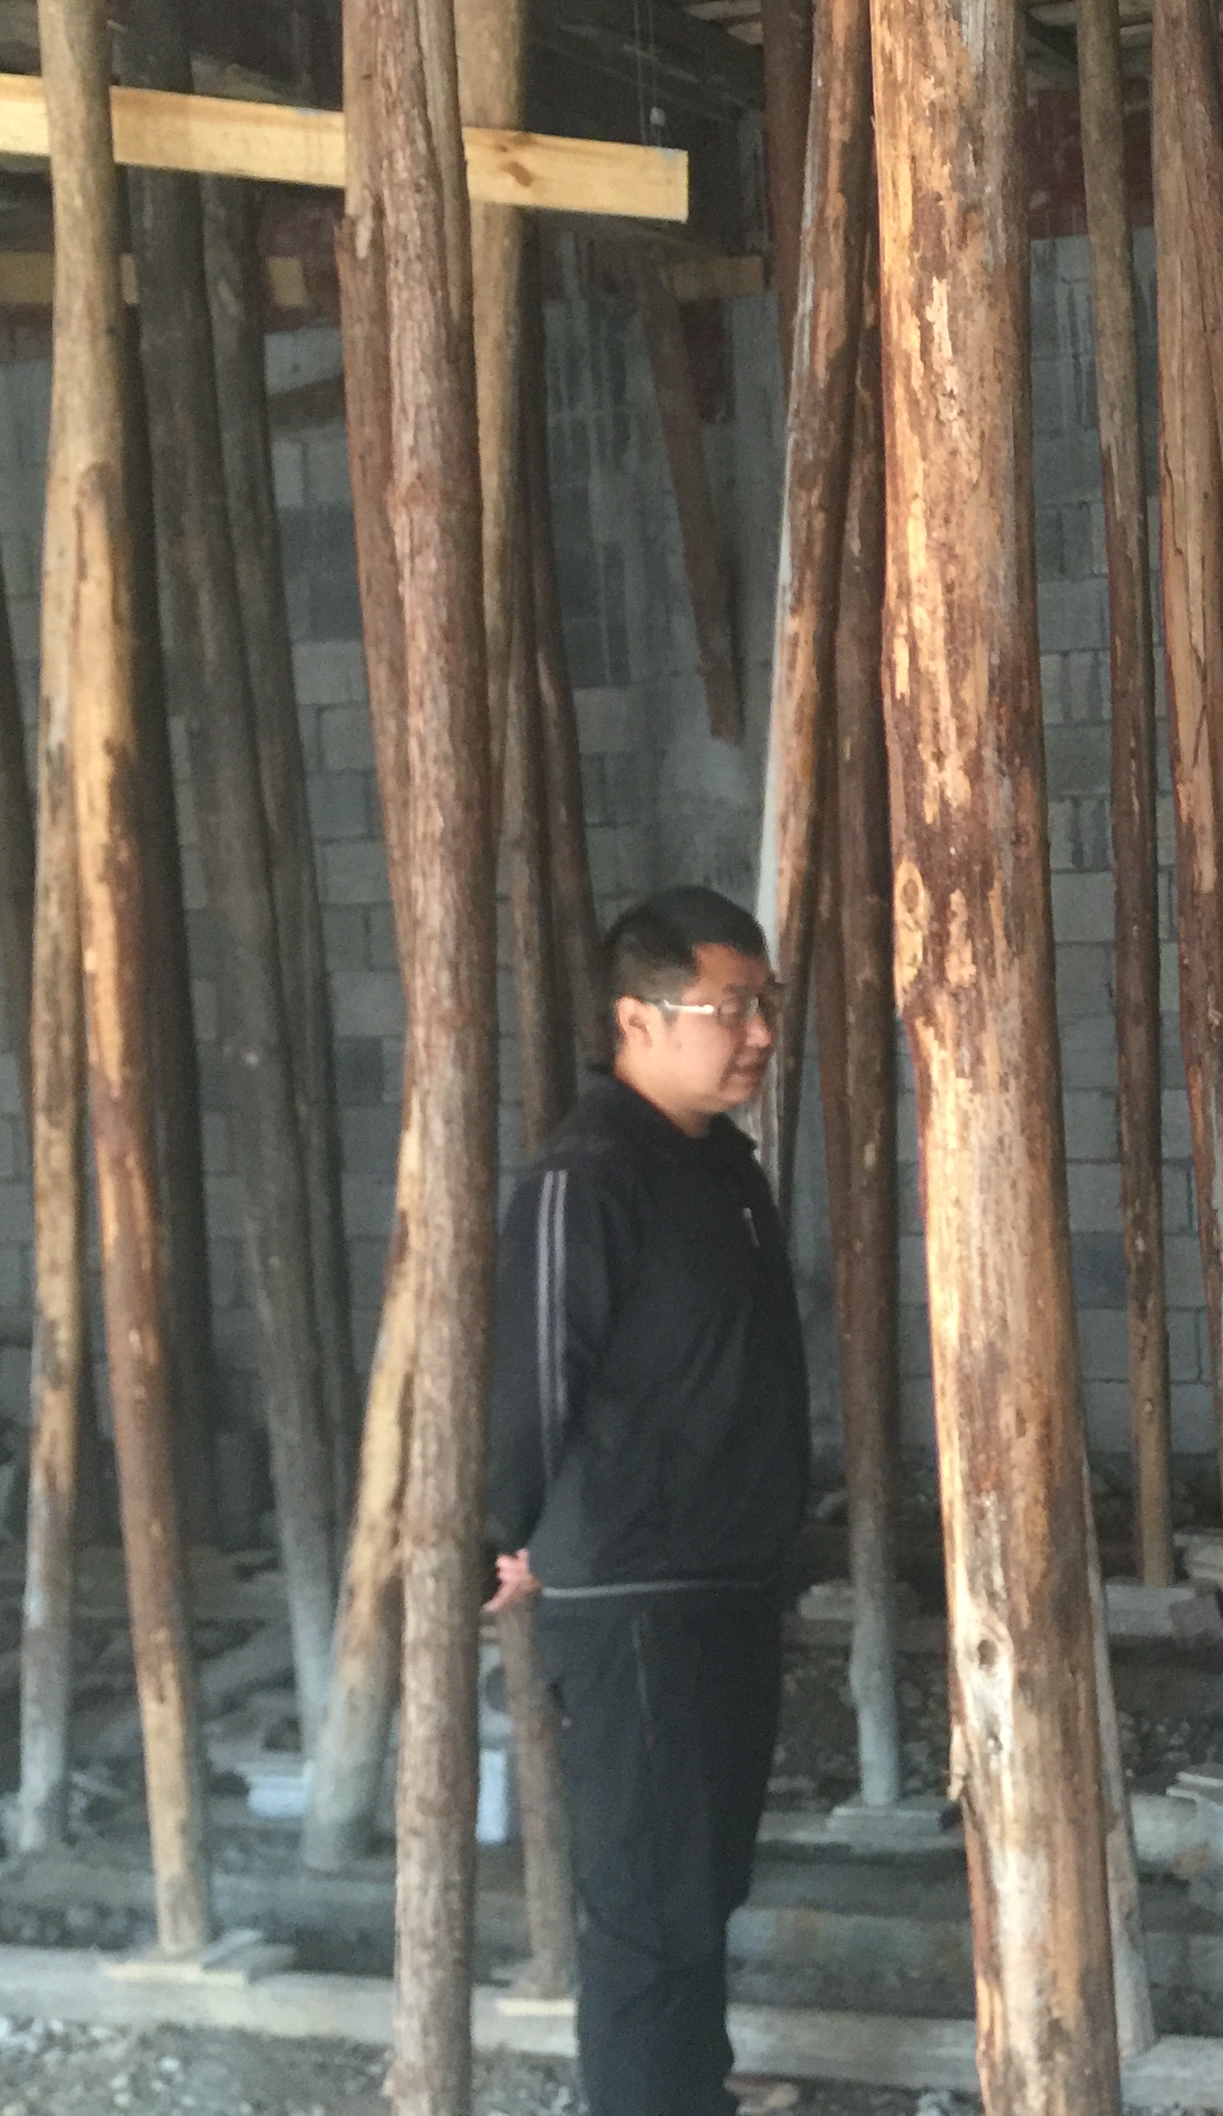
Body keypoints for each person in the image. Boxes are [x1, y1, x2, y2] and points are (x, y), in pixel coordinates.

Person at [487, 885, 812, 2116]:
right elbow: (535, 1374)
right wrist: (501, 1532)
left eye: (765, 1003)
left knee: (702, 1878)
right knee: (644, 1901)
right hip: (636, 1590)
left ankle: (692, 2094)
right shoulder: (591, 1174)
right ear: (637, 1018)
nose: (760, 1033)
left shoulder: (722, 1168)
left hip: (726, 1575)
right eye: (730, 1008)